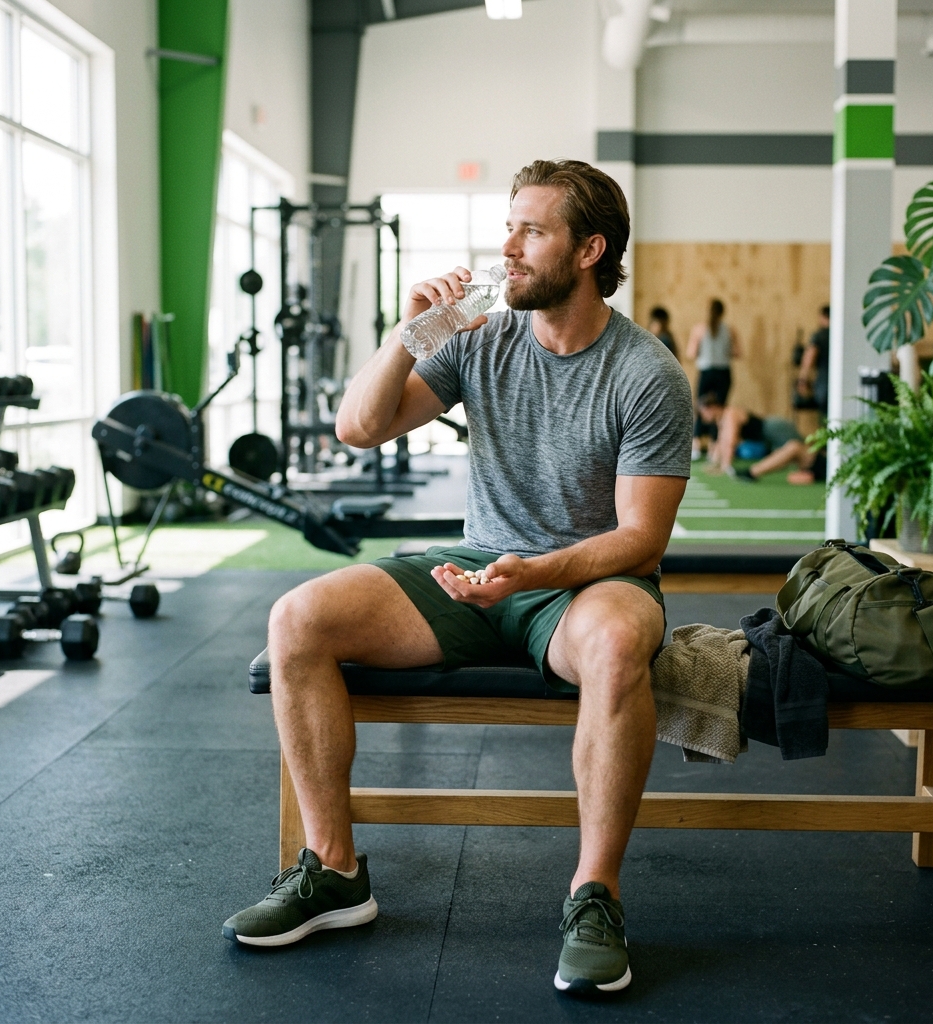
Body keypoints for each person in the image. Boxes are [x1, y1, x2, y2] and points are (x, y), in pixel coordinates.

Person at [222, 159, 693, 996]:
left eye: (530, 231)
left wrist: (531, 574)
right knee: (298, 618)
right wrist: (409, 333)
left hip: (583, 584)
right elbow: (358, 428)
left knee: (621, 642)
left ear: (589, 251)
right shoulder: (475, 323)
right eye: (509, 225)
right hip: (480, 569)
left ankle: (595, 897)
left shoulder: (644, 372)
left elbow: (640, 540)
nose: (506, 247)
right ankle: (334, 873)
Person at [695, 392, 801, 477]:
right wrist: (716, 464)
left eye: (704, 412)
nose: (703, 417)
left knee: (804, 452)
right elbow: (721, 442)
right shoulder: (720, 420)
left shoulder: (730, 414)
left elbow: (731, 441)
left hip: (775, 429)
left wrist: (725, 466)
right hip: (767, 436)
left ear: (713, 407)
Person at [687, 299, 741, 458]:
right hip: (723, 374)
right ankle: (713, 448)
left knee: (701, 408)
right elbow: (737, 352)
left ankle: (696, 446)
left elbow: (690, 353)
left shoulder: (699, 329)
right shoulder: (730, 330)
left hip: (706, 372)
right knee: (719, 411)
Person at [797, 305, 830, 415]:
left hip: (823, 385)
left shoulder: (819, 336)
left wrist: (802, 380)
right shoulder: (841, 334)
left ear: (823, 317)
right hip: (841, 384)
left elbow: (809, 360)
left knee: (825, 423)